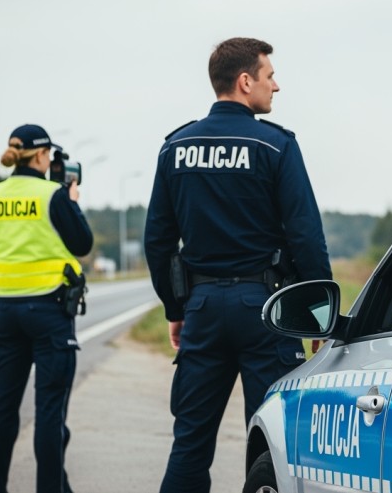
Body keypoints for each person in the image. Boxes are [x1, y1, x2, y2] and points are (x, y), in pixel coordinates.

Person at [144, 37, 332, 492]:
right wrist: (317, 316)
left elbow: (157, 241)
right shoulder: (276, 146)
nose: (276, 86)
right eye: (270, 76)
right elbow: (305, 236)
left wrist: (176, 308)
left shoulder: (175, 148)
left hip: (202, 309)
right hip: (266, 312)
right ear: (245, 81)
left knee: (189, 446)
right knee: (272, 445)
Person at [0, 124, 94, 493]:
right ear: (42, 156)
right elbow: (82, 243)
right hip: (49, 312)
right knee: (49, 412)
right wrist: (71, 201)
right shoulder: (53, 196)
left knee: (2, 407)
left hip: (7, 314)